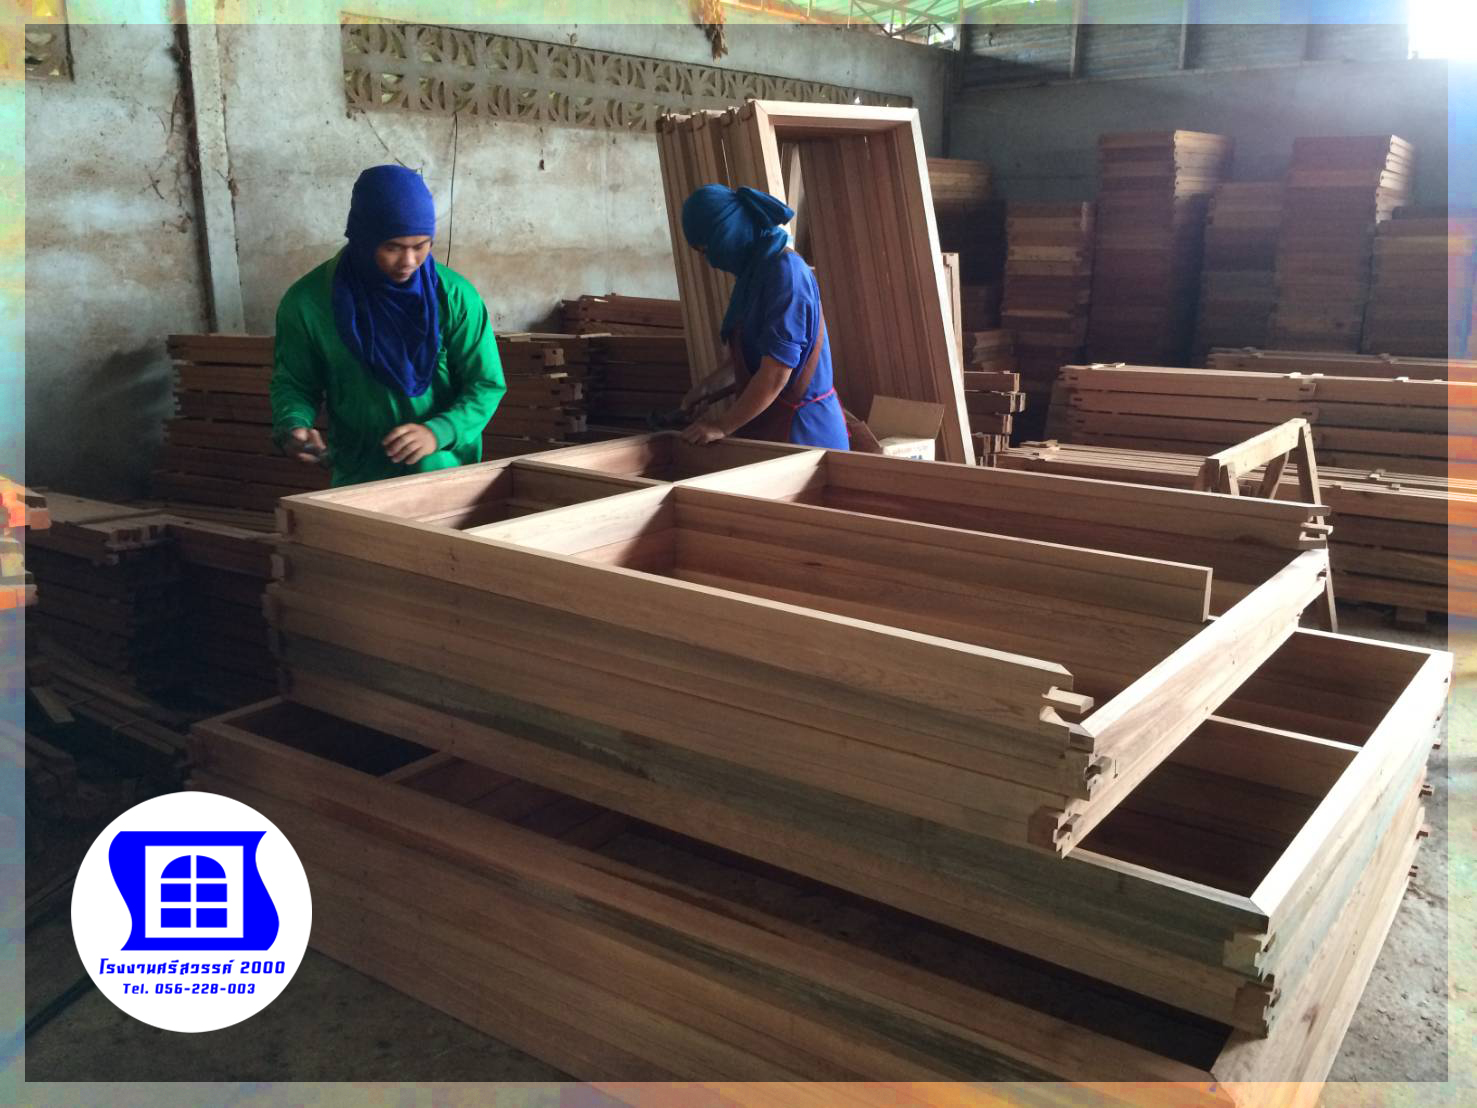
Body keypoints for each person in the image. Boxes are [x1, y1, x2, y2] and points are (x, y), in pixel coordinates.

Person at [270, 165, 506, 487]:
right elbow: (295, 382)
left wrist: (439, 432)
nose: (408, 261)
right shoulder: (308, 303)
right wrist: (294, 424)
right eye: (393, 247)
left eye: (421, 245)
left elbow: (485, 383)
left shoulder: (454, 297)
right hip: (359, 473)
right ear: (363, 239)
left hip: (443, 473)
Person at [677, 185, 849, 450]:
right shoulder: (755, 275)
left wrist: (722, 426)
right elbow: (756, 360)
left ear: (727, 231)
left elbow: (776, 371)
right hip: (772, 431)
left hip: (804, 434)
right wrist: (706, 389)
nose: (710, 261)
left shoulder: (787, 275)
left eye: (708, 249)